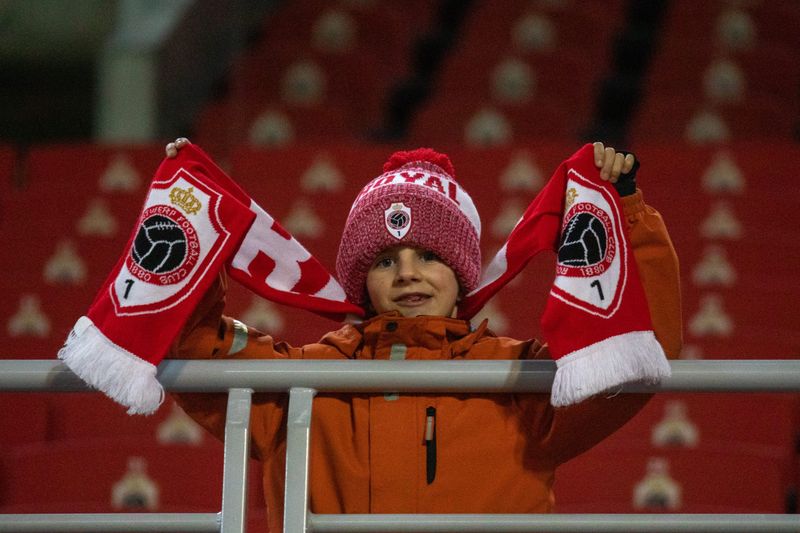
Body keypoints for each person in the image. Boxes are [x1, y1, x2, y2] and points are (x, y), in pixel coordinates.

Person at [167, 138, 681, 531]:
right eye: (385, 259)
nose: (407, 273)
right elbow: (186, 341)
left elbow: (638, 346)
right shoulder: (303, 378)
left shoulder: (521, 381)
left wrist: (626, 214)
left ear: (462, 272)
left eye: (430, 255)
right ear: (361, 280)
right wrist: (191, 219)